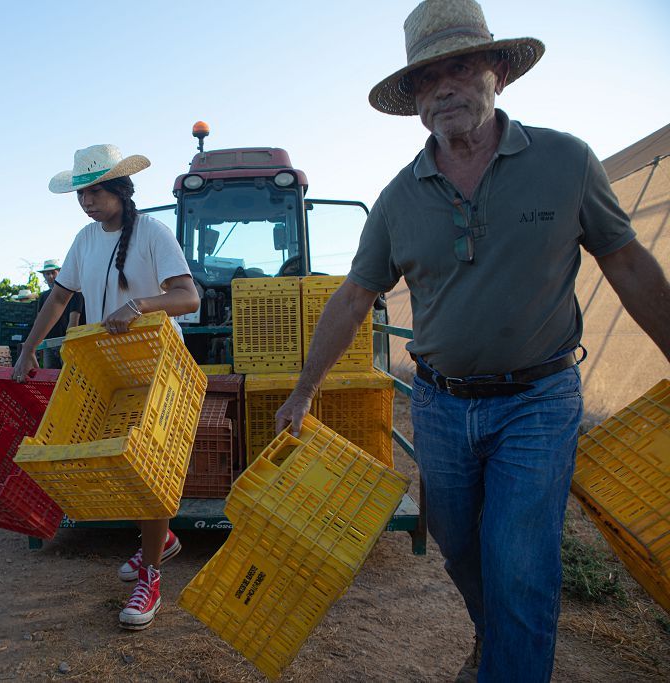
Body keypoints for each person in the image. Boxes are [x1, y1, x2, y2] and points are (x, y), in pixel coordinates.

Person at [276, 1, 670, 680]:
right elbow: (352, 298)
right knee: (459, 547)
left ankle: (509, 658)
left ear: (499, 73)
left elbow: (628, 261)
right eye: (427, 80)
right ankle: (498, 640)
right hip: (439, 404)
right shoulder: (400, 198)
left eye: (460, 66)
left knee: (520, 558)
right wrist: (305, 390)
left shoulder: (565, 161)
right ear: (415, 101)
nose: (444, 88)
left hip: (538, 399)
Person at [12, 144, 200, 631]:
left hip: (158, 363)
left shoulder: (154, 235)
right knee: (121, 461)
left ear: (120, 188)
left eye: (95, 190)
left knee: (146, 464)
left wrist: (138, 305)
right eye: (82, 192)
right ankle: (162, 542)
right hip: (112, 369)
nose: (87, 201)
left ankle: (152, 574)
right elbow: (59, 297)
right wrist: (29, 347)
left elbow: (187, 296)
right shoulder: (85, 240)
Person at [36, 258, 84, 368]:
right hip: (48, 344)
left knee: (67, 376)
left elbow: (74, 321)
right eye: (47, 274)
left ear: (60, 273)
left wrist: (68, 344)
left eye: (53, 273)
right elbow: (39, 320)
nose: (50, 277)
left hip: (66, 342)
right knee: (50, 378)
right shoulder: (44, 296)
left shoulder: (75, 293)